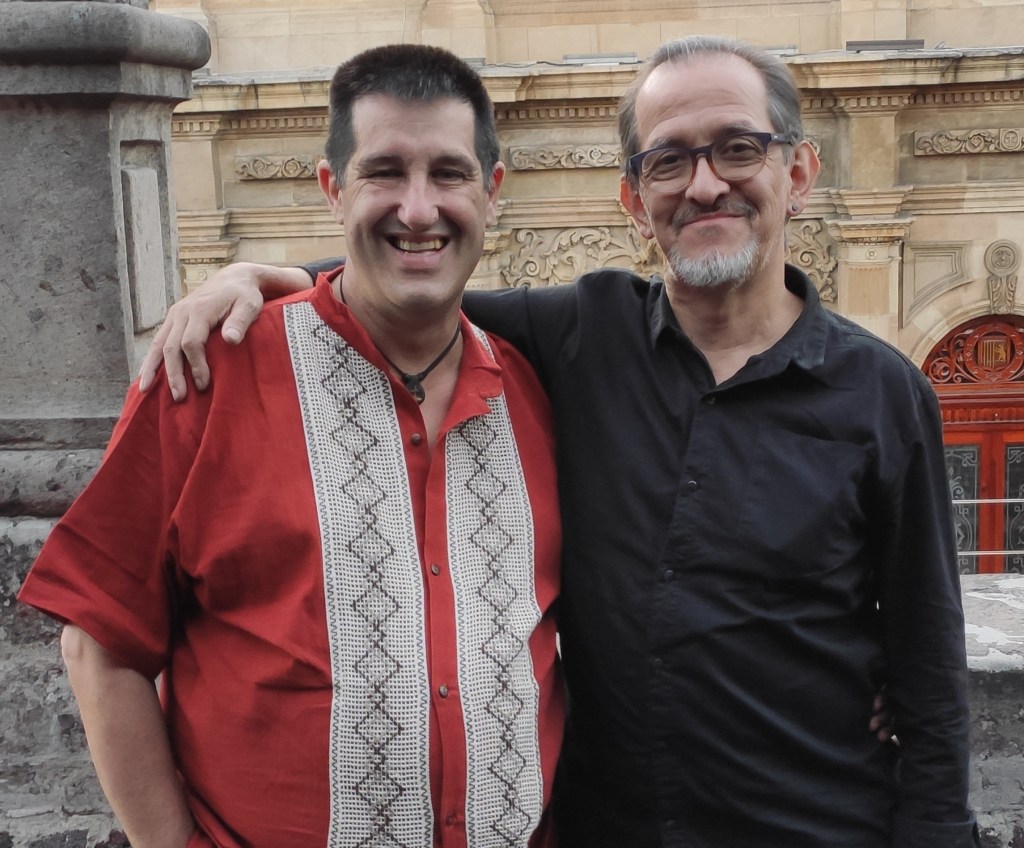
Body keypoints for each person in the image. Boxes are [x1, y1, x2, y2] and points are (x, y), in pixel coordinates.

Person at [140, 36, 979, 848]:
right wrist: (266, 278)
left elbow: (929, 664)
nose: (705, 185)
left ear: (796, 173)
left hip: (818, 825)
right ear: (634, 200)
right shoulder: (579, 333)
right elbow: (414, 279)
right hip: (606, 829)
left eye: (738, 149)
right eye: (668, 161)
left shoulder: (882, 393)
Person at [20, 44, 565, 848]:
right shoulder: (212, 372)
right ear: (332, 187)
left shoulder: (535, 389)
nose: (419, 209)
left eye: (449, 174)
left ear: (492, 192)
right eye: (385, 172)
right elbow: (99, 645)